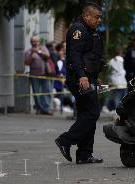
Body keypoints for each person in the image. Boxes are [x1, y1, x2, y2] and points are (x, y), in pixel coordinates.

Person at [55, 2, 104, 164]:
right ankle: (65, 140)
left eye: (100, 17)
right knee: (92, 113)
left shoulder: (90, 31)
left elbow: (90, 57)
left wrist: (94, 77)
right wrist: (83, 77)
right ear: (86, 15)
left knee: (86, 114)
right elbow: (74, 55)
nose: (99, 20)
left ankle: (84, 154)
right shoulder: (78, 30)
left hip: (87, 77)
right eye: (97, 17)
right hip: (79, 78)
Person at [24, 36, 53, 115]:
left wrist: (38, 52)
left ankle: (46, 109)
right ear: (30, 42)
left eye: (35, 41)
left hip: (45, 74)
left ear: (38, 42)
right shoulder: (28, 52)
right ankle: (38, 108)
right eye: (32, 41)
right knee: (36, 92)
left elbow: (48, 56)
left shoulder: (43, 48)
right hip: (34, 75)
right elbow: (26, 63)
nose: (34, 43)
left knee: (46, 91)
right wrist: (31, 54)